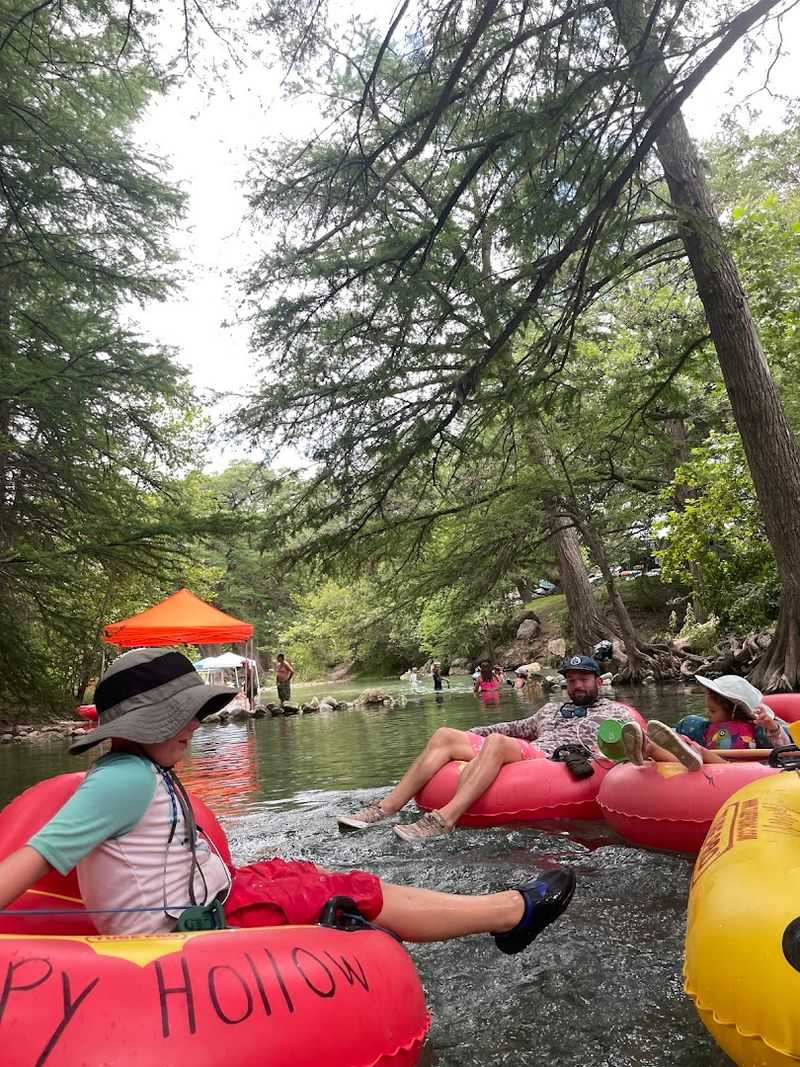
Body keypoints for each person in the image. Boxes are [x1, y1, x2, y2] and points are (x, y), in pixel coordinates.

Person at [0, 649, 575, 954]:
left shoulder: (143, 767)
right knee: (346, 887)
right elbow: (38, 856)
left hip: (204, 903)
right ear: (141, 726)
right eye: (181, 719)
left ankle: (370, 926)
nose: (195, 728)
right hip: (180, 938)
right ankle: (507, 915)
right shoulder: (121, 782)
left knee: (296, 870)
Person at [338, 655, 636, 842]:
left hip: (556, 762)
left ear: (598, 681)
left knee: (496, 743)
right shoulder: (551, 710)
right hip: (530, 751)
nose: (577, 686)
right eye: (571, 681)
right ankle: (383, 810)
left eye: (583, 679)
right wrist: (467, 735)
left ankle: (443, 820)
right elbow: (511, 728)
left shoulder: (616, 713)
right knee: (444, 735)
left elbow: (632, 745)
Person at [622, 674, 790, 771]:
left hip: (736, 770)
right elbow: (669, 735)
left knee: (696, 750)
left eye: (713, 712)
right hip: (708, 766)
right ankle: (647, 746)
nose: (708, 716)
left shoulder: (758, 728)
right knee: (682, 743)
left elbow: (785, 752)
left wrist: (772, 728)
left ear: (734, 711)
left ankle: (689, 750)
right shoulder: (701, 727)